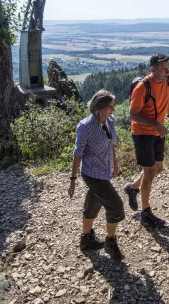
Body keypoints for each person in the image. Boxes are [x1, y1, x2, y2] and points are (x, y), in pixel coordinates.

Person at [68, 89, 125, 260]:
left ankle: (86, 240)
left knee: (94, 203)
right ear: (99, 108)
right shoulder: (85, 127)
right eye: (110, 107)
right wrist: (72, 180)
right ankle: (110, 242)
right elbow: (77, 154)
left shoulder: (110, 120)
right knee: (115, 206)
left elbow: (111, 143)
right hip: (92, 174)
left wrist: (115, 162)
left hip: (104, 171)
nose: (113, 110)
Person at [124, 53, 169, 227]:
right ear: (152, 69)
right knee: (149, 171)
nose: (166, 72)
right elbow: (132, 114)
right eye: (163, 69)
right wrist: (155, 123)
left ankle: (132, 188)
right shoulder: (142, 88)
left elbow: (167, 96)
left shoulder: (167, 80)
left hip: (157, 130)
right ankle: (145, 213)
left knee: (158, 168)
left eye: (167, 69)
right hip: (142, 133)